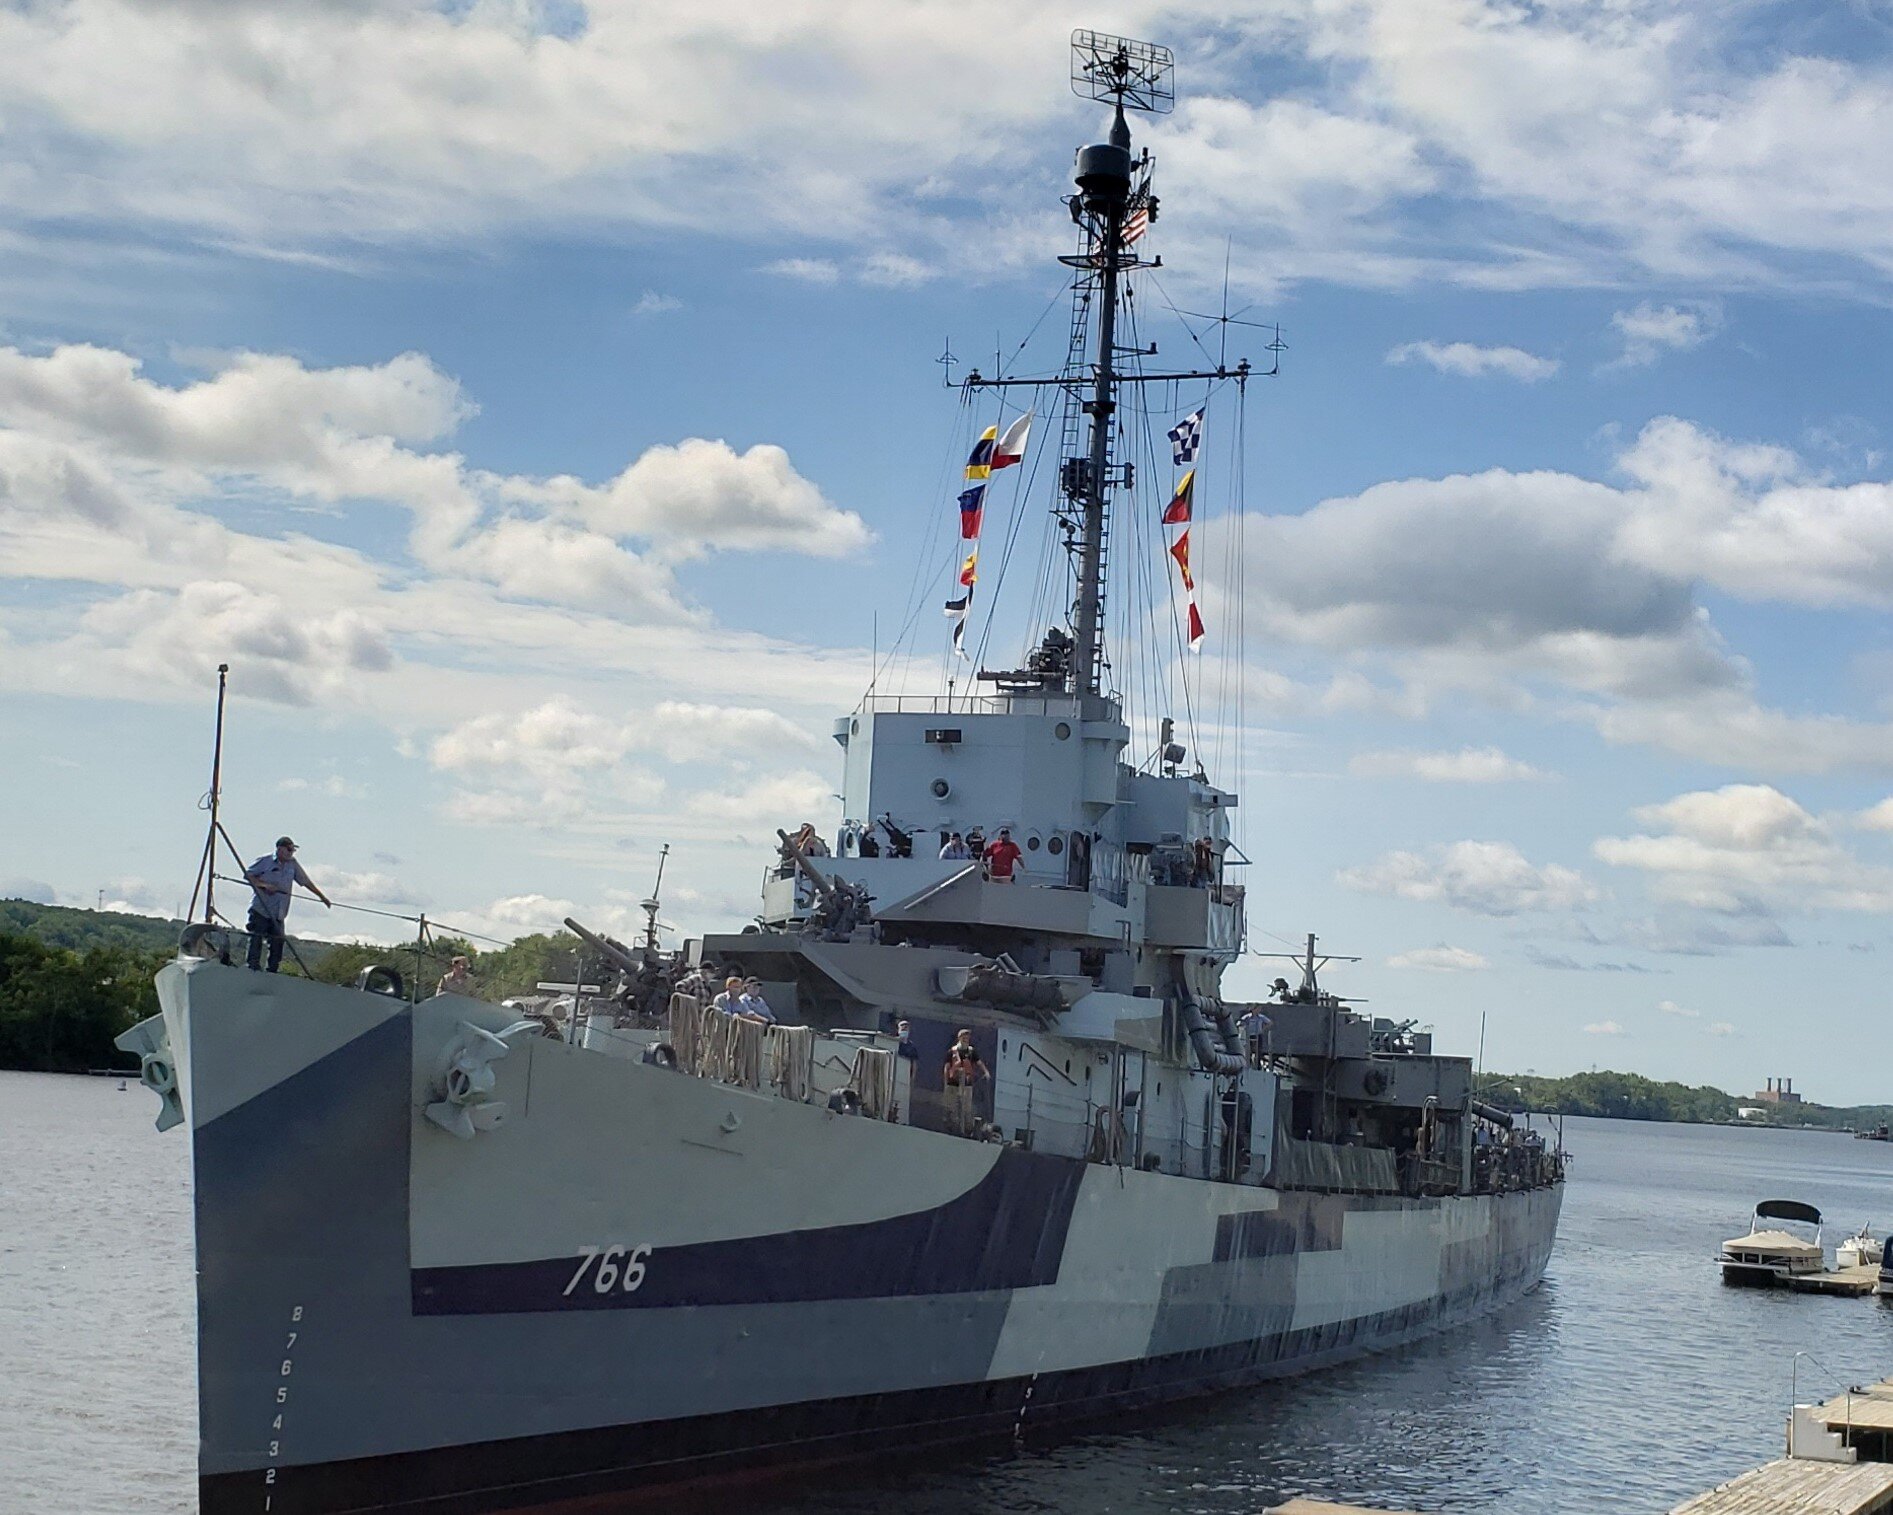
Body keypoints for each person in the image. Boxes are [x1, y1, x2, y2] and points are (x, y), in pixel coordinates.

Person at [243, 835, 330, 972]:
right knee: (256, 938)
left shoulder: (292, 864)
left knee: (277, 942)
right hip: (261, 908)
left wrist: (322, 897)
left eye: (292, 850)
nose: (291, 853)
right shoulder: (265, 861)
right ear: (279, 849)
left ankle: (272, 971)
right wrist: (264, 885)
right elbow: (248, 875)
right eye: (289, 849)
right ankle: (252, 968)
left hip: (279, 912)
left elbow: (305, 881)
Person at [943, 1027, 989, 1136]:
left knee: (967, 1108)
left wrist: (986, 1072)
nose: (966, 1039)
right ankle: (952, 1127)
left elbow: (979, 1063)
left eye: (968, 1037)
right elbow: (947, 1067)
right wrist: (945, 1082)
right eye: (964, 1037)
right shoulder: (952, 1051)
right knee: (951, 1107)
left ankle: (968, 1129)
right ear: (959, 1038)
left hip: (967, 1085)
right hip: (953, 1084)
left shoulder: (972, 1052)